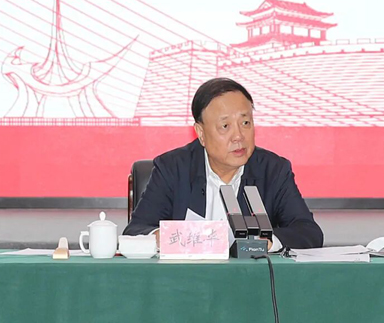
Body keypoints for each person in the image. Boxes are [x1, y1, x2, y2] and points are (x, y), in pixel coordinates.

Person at [123, 78, 323, 250]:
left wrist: (267, 242)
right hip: (185, 279)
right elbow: (136, 231)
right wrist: (168, 238)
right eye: (225, 126)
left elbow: (308, 231)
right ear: (201, 133)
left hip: (249, 279)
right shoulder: (173, 169)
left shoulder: (273, 170)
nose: (238, 136)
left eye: (245, 123)